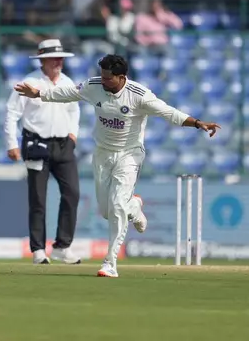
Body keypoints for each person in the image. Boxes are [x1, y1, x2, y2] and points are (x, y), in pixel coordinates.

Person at [14, 54, 220, 278]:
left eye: (108, 78)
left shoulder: (139, 95)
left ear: (122, 77)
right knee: (106, 211)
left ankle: (109, 263)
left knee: (117, 205)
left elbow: (168, 112)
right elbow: (68, 93)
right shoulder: (94, 85)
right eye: (102, 76)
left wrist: (198, 123)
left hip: (129, 155)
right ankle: (135, 205)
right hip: (102, 154)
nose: (103, 81)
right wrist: (39, 93)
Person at [4, 39, 81, 265]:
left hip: (63, 145)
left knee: (72, 193)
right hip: (36, 144)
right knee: (38, 198)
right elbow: (11, 114)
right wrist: (12, 143)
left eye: (61, 58)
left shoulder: (68, 82)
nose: (58, 62)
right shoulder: (29, 82)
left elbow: (74, 110)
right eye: (54, 58)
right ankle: (38, 249)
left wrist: (73, 133)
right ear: (43, 61)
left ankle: (62, 246)